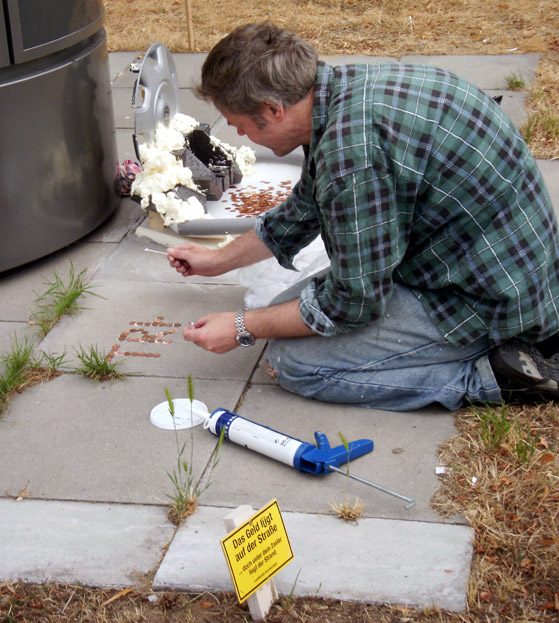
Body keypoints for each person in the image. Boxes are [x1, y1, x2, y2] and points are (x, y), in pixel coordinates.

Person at [167, 22, 559, 412]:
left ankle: (493, 376)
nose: (238, 133)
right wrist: (218, 261)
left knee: (292, 363)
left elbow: (353, 303)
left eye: (240, 124)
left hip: (489, 299)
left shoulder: (351, 157)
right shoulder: (343, 90)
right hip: (495, 260)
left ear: (273, 109)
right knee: (285, 311)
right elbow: (305, 206)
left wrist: (241, 327)